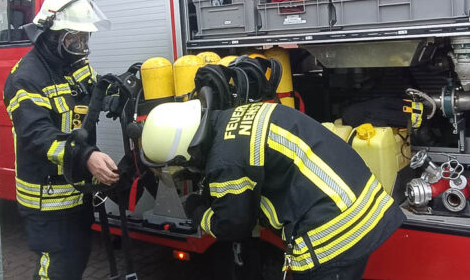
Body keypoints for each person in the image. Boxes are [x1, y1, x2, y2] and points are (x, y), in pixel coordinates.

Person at [141, 98, 405, 280]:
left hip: (333, 234)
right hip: (361, 203)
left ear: (183, 154)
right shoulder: (237, 116)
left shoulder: (224, 162)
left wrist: (197, 209)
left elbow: (231, 225)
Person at [4, 0, 120, 280]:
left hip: (75, 193)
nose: (81, 47)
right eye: (73, 39)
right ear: (51, 36)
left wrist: (123, 91)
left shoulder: (73, 65)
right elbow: (37, 135)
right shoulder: (25, 79)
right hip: (47, 201)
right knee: (57, 271)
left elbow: (95, 92)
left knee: (76, 260)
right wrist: (87, 156)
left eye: (84, 39)